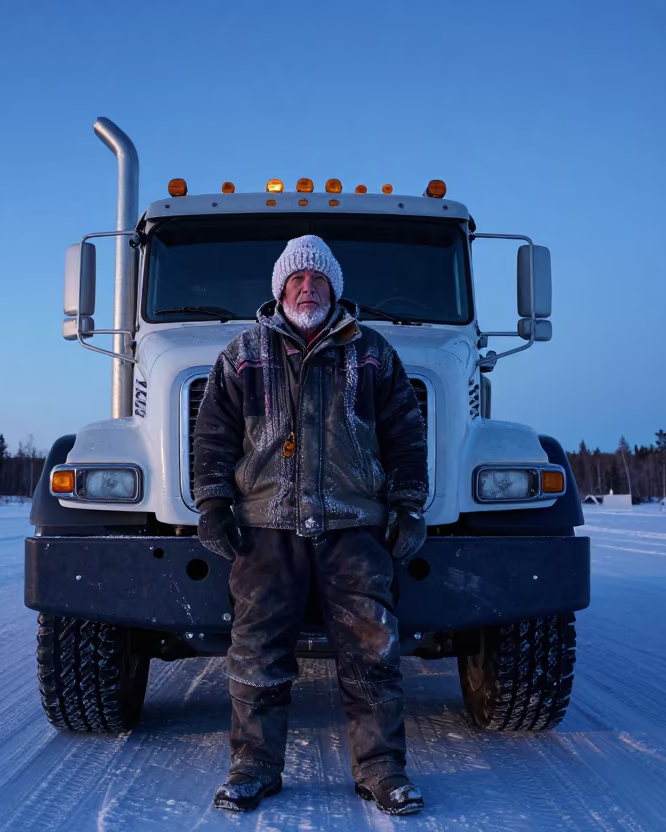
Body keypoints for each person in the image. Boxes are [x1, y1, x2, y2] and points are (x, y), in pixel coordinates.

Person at [191, 235, 429, 815]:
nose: (307, 287)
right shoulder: (243, 353)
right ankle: (253, 768)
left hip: (354, 525)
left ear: (334, 289)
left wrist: (407, 505)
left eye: (317, 280)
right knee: (256, 652)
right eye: (297, 279)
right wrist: (214, 503)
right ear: (280, 289)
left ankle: (381, 770)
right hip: (267, 526)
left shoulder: (371, 353)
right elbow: (215, 436)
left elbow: (404, 434)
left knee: (374, 649)